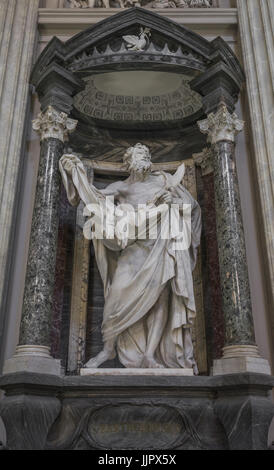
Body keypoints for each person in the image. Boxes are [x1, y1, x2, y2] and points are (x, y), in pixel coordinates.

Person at [60, 143, 201, 372]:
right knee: (116, 296)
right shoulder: (121, 187)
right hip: (134, 249)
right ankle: (108, 348)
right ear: (128, 161)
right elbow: (94, 198)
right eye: (139, 153)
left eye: (146, 154)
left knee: (160, 299)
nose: (144, 156)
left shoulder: (164, 181)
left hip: (161, 246)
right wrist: (75, 172)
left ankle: (149, 355)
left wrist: (173, 204)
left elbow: (190, 207)